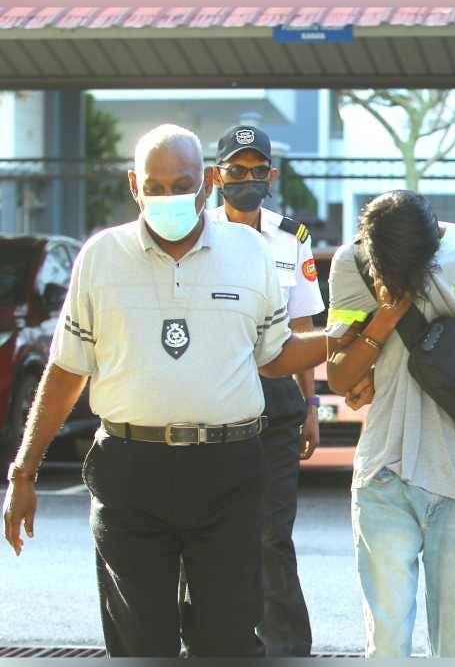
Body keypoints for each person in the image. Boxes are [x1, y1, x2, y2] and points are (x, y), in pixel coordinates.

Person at [1, 124, 330, 657]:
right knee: (140, 645)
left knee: (226, 643)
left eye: (181, 184)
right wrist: (23, 471)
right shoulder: (101, 258)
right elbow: (65, 370)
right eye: (155, 186)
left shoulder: (251, 252)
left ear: (204, 183)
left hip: (228, 471)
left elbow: (276, 355)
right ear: (134, 184)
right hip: (131, 473)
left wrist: (344, 341)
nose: (168, 197)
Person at [324, 190, 455, 657]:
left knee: (452, 647)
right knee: (387, 645)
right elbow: (339, 374)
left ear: (436, 241)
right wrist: (386, 317)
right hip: (384, 475)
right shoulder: (353, 264)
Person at [201, 124, 323, 656]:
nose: (247, 180)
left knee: (272, 534)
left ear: (271, 176)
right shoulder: (193, 234)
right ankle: (208, 642)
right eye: (236, 170)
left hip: (276, 406)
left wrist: (311, 406)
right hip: (210, 404)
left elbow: (302, 330)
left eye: (256, 171)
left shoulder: (291, 238)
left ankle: (286, 648)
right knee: (207, 536)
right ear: (216, 175)